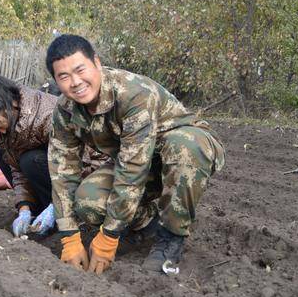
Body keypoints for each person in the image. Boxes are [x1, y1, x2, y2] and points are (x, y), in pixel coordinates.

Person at [46, 34, 225, 275]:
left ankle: (171, 238)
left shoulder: (133, 93)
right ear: (56, 80)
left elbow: (132, 170)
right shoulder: (64, 111)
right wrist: (69, 236)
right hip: (139, 161)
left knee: (184, 146)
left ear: (96, 63)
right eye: (64, 77)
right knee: (88, 200)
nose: (75, 82)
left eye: (80, 70)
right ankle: (146, 224)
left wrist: (109, 236)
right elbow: (61, 170)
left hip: (184, 151)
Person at [0, 75, 108, 237]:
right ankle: (37, 213)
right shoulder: (6, 130)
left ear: (12, 105)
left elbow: (81, 163)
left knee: (31, 160)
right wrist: (24, 208)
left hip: (93, 172)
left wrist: (55, 207)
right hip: (58, 171)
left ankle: (63, 213)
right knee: (3, 155)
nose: (0, 132)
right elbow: (17, 171)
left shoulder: (49, 116)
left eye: (0, 124)